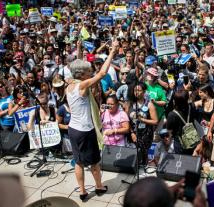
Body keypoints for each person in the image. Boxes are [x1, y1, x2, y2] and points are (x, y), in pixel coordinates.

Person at [65, 40, 118, 201]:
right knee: (94, 162)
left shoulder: (70, 83)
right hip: (85, 130)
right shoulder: (82, 86)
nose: (91, 72)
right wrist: (112, 52)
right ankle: (99, 187)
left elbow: (78, 65)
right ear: (82, 75)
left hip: (73, 129)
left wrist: (80, 50)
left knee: (79, 162)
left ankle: (82, 191)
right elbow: (102, 74)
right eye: (88, 71)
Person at [127, 82, 158, 165]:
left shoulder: (149, 104)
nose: (136, 92)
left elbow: (155, 121)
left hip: (145, 134)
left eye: (139, 90)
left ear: (144, 92)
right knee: (134, 155)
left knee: (144, 155)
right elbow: (127, 120)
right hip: (133, 134)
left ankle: (144, 168)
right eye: (135, 90)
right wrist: (132, 133)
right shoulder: (130, 104)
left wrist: (143, 120)